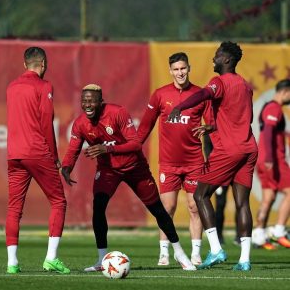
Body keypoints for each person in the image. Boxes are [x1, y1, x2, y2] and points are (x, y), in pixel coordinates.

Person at [61, 84, 196, 272]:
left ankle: (179, 253)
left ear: (101, 101)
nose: (87, 104)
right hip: (108, 170)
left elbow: (135, 144)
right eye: (84, 101)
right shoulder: (80, 123)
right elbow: (73, 150)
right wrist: (66, 167)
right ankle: (101, 260)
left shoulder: (118, 112)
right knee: (98, 206)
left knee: (157, 209)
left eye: (91, 100)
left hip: (135, 167)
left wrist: (107, 148)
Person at [168, 41, 258, 271]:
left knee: (200, 195)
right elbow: (241, 119)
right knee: (242, 203)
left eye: (217, 56)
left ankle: (216, 249)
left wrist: (181, 106)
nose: (213, 59)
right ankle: (245, 260)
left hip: (229, 150)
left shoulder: (219, 82)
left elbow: (204, 94)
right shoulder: (245, 86)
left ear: (227, 60)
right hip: (248, 147)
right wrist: (213, 127)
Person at [137, 52, 212, 266]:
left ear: (189, 68)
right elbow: (145, 126)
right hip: (168, 164)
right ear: (170, 71)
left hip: (195, 162)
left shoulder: (200, 94)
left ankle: (196, 253)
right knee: (167, 208)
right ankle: (164, 253)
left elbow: (213, 124)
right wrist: (134, 147)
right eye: (176, 69)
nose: (180, 72)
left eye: (183, 68)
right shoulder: (160, 95)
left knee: (195, 207)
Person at [6, 47, 70, 274]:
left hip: (14, 154)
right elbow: (46, 123)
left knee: (14, 208)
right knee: (58, 201)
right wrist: (54, 157)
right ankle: (51, 258)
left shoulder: (12, 86)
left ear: (25, 65)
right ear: (43, 64)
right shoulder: (44, 86)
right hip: (38, 152)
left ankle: (12, 263)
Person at [252, 79, 290, 249]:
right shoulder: (274, 108)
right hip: (273, 160)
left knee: (268, 198)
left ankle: (258, 235)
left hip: (265, 159)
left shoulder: (270, 107)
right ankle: (279, 230)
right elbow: (267, 131)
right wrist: (269, 158)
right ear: (286, 91)